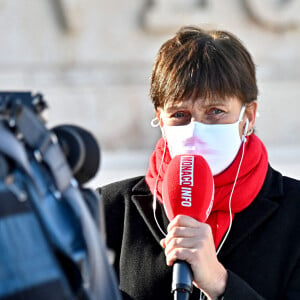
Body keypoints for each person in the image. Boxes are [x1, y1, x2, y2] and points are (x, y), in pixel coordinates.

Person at [98, 26, 300, 299]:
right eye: (179, 114)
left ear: (248, 117)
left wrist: (220, 283)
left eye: (215, 111)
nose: (195, 129)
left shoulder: (294, 213)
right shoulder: (107, 210)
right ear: (160, 118)